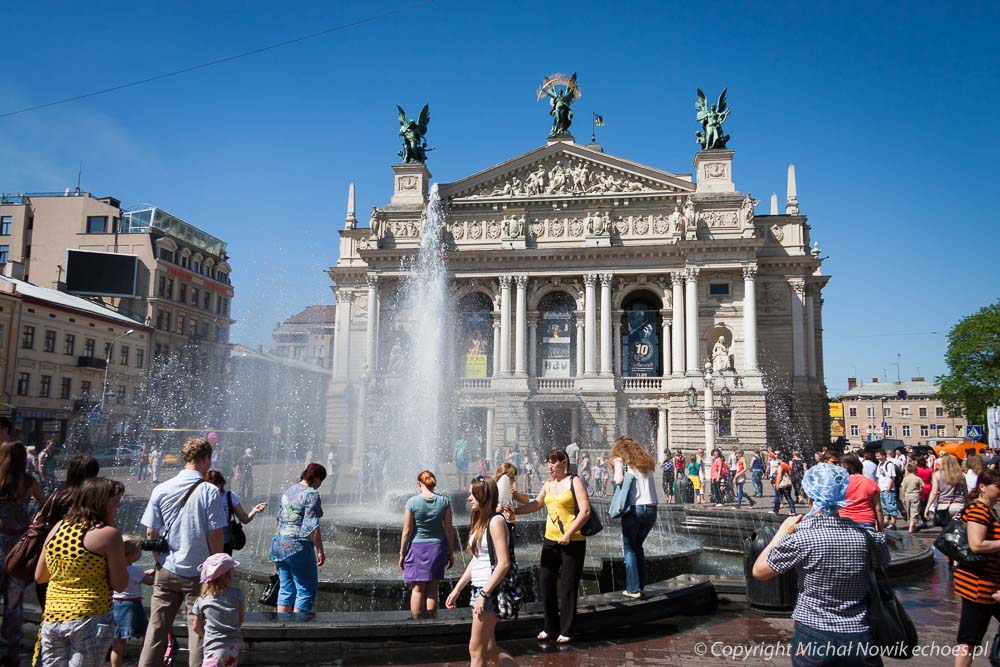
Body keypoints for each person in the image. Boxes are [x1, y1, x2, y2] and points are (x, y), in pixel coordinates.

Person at [753, 463, 889, 666]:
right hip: (859, 633)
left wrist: (781, 532)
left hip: (813, 633)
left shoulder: (802, 539)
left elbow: (759, 571)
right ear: (843, 496)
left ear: (810, 498)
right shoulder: (867, 537)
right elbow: (883, 562)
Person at [139, 437, 225, 667]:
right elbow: (215, 535)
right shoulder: (210, 491)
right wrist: (216, 571)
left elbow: (151, 532)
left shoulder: (161, 488)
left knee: (156, 630)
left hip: (167, 570)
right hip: (199, 574)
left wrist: (159, 561)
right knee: (198, 631)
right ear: (205, 459)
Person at [35, 477, 129, 667]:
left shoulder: (58, 527)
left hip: (53, 617)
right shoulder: (109, 535)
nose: (118, 506)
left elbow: (40, 576)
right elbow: (120, 584)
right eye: (115, 501)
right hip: (90, 616)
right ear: (101, 502)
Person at [513, 448, 591, 644]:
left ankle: (566, 630)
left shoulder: (574, 481)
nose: (550, 465)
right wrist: (514, 512)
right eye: (548, 461)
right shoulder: (548, 484)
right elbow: (536, 504)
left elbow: (585, 511)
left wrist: (569, 533)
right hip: (550, 539)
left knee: (567, 586)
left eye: (553, 462)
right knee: (546, 582)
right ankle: (549, 627)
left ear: (564, 462)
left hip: (573, 540)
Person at [444, 477, 517, 667]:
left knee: (475, 649)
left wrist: (484, 594)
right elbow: (477, 559)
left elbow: (504, 563)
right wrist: (458, 588)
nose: (469, 498)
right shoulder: (481, 521)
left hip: (488, 590)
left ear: (484, 496)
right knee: (490, 648)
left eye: (473, 494)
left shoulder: (496, 522)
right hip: (480, 589)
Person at [0, 442, 45, 664]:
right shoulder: (28, 482)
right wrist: (33, 522)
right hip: (20, 547)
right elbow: (45, 505)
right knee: (14, 601)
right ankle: (13, 650)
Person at [952, 468, 1000, 667]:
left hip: (987, 583)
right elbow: (976, 545)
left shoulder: (988, 509)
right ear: (982, 487)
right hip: (978, 585)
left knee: (970, 637)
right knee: (969, 638)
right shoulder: (978, 510)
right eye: (998, 486)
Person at [270, 463, 327, 613]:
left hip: (279, 545)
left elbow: (279, 517)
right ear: (317, 478)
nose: (320, 484)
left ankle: (282, 624)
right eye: (321, 480)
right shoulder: (311, 494)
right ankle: (299, 625)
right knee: (305, 590)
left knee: (285, 589)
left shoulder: (289, 491)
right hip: (297, 547)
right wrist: (320, 551)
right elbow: (312, 527)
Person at [399, 470, 454, 619]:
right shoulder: (444, 502)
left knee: (418, 589)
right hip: (437, 547)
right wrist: (451, 552)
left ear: (419, 483)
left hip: (417, 548)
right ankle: (431, 620)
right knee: (432, 589)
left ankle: (417, 623)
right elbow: (449, 530)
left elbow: (407, 531)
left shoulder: (412, 502)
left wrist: (402, 553)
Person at [611, 436, 658, 599]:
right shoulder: (646, 465)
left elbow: (618, 480)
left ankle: (632, 589)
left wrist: (618, 464)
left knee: (629, 549)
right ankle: (640, 586)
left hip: (635, 509)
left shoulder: (627, 465)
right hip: (652, 510)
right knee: (638, 547)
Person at [192, 553, 245, 667]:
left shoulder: (202, 600)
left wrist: (206, 635)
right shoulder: (238, 595)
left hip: (212, 645)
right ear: (227, 575)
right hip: (233, 647)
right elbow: (240, 620)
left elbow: (195, 627)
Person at [111, 535, 154, 667]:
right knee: (146, 635)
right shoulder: (136, 571)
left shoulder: (113, 569)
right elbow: (150, 582)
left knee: (118, 644)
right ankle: (143, 662)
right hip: (131, 606)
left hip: (116, 605)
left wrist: (142, 574)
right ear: (133, 555)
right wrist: (156, 573)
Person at [205, 470, 267, 555]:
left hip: (226, 543)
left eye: (213, 485)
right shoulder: (204, 498)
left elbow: (244, 519)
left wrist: (254, 511)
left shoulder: (229, 496)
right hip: (207, 543)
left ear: (220, 484)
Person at [839, 454, 883, 531]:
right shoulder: (870, 483)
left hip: (844, 520)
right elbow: (878, 509)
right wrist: (880, 530)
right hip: (866, 520)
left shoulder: (840, 484)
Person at [925, 453, 967, 527]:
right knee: (957, 528)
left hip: (943, 505)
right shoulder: (960, 475)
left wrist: (927, 507)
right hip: (958, 505)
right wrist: (968, 504)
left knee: (945, 529)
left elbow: (934, 492)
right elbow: (965, 492)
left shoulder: (937, 474)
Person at [875, 450, 898, 529]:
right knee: (884, 506)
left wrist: (889, 487)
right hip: (881, 488)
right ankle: (886, 521)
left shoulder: (889, 464)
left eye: (878, 456)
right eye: (876, 456)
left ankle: (893, 523)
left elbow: (892, 477)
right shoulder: (879, 464)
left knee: (891, 505)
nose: (877, 457)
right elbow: (878, 477)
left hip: (888, 489)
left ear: (883, 456)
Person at [899, 462, 924, 533]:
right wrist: (921, 494)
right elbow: (921, 488)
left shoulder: (905, 479)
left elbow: (903, 489)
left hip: (907, 495)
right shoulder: (918, 479)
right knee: (914, 511)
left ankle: (912, 525)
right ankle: (912, 526)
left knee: (909, 511)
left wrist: (903, 497)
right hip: (915, 495)